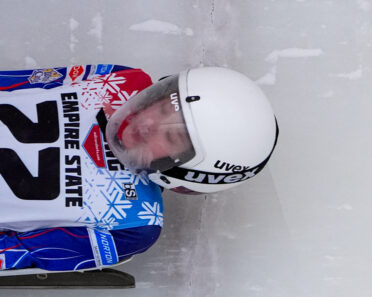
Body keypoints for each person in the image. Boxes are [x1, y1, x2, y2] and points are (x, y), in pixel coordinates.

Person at [0, 64, 277, 273]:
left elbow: (21, 251)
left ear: (185, 170)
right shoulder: (122, 80)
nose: (147, 123)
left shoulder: (136, 225)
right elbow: (26, 81)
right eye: (164, 108)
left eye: (172, 137)